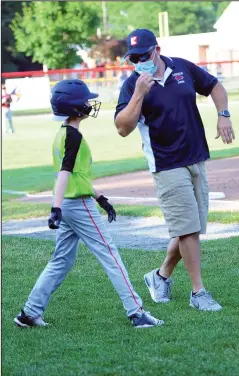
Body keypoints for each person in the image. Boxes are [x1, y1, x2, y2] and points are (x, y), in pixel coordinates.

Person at [14, 79, 164, 329]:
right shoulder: (72, 136)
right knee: (110, 255)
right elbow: (64, 173)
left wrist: (100, 198)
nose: (88, 104)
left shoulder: (63, 134)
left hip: (72, 205)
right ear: (74, 108)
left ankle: (29, 313)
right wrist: (55, 208)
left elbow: (76, 175)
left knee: (61, 260)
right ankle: (137, 312)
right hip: (77, 207)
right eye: (83, 101)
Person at [114, 29, 235, 311]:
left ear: (156, 49)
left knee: (189, 228)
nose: (139, 62)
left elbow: (214, 86)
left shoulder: (181, 66)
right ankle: (198, 293)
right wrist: (139, 95)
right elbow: (122, 127)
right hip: (165, 163)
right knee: (188, 231)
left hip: (196, 157)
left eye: (143, 56)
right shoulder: (133, 85)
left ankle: (159, 277)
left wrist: (223, 114)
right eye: (133, 59)